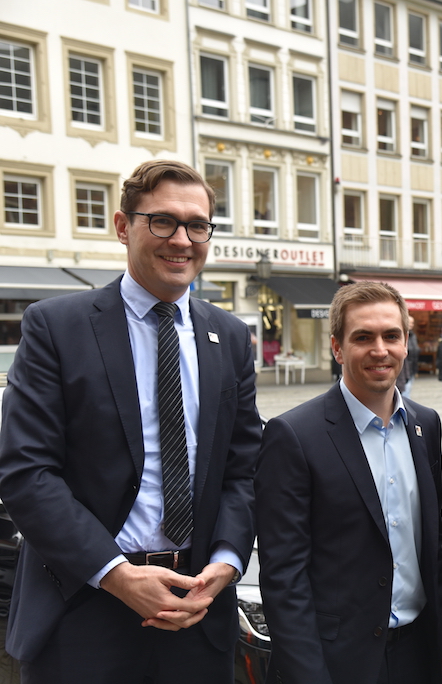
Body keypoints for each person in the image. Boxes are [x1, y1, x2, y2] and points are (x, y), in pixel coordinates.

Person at [0, 160, 263, 683]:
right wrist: (116, 575)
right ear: (123, 227)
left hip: (197, 611)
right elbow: (26, 472)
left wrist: (228, 560)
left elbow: (245, 467)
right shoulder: (56, 327)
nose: (182, 240)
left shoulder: (231, 337)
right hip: (84, 608)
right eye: (162, 221)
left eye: (197, 225)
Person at [255, 282, 442, 684]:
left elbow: (433, 547)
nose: (380, 350)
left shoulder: (426, 424)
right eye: (363, 337)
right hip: (338, 661)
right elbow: (283, 576)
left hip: (419, 653)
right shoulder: (293, 435)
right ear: (337, 348)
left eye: (391, 336)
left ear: (406, 344)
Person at [397, 314, 420, 399]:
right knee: (405, 392)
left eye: (412, 323)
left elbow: (415, 351)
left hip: (412, 368)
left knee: (408, 390)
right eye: (409, 322)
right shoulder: (401, 336)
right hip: (404, 369)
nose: (411, 324)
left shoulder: (413, 336)